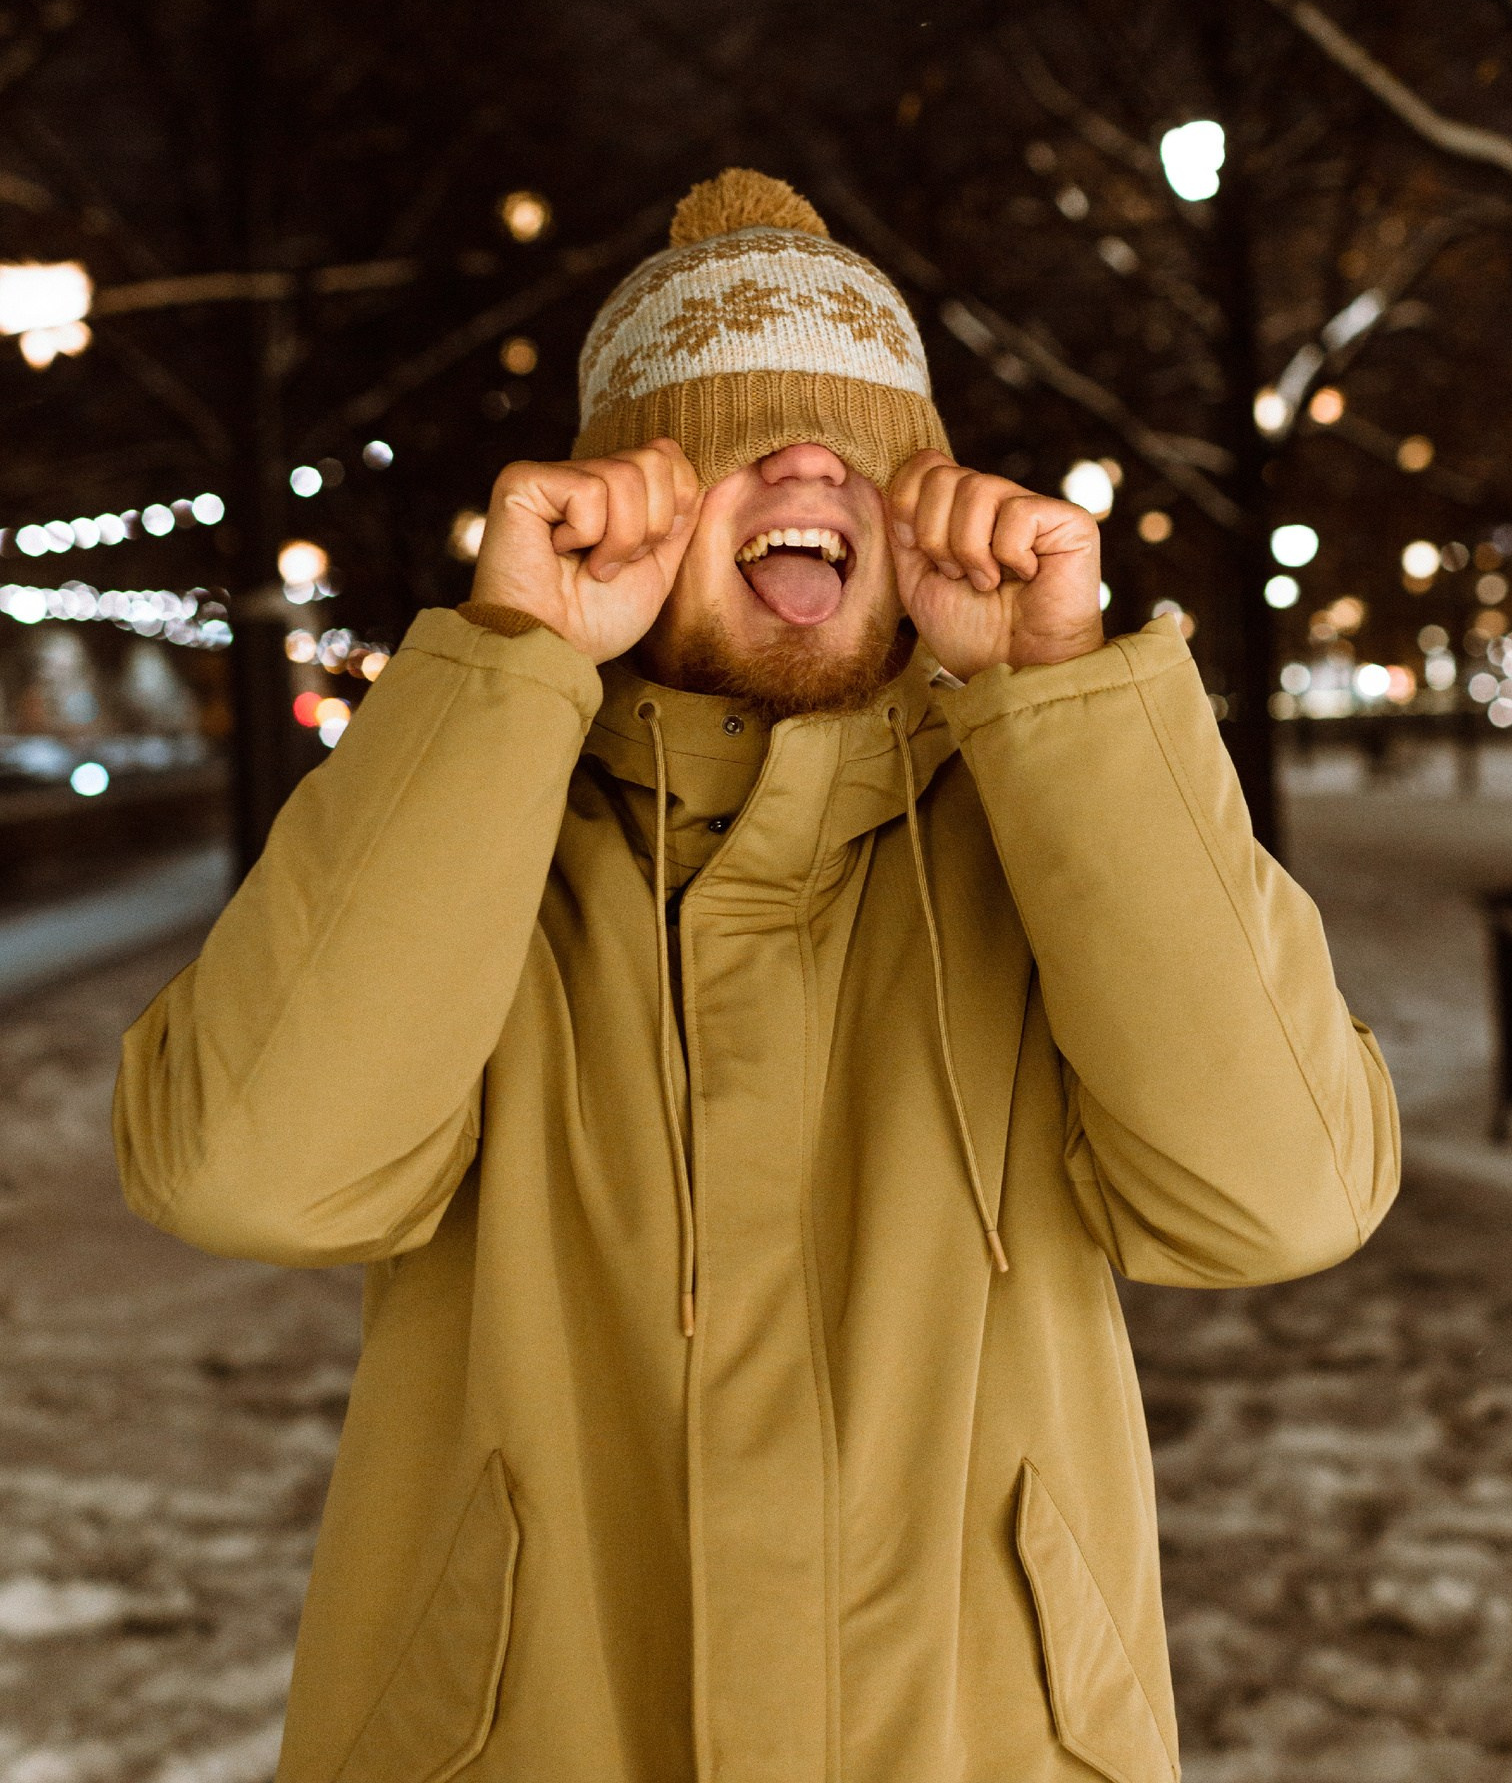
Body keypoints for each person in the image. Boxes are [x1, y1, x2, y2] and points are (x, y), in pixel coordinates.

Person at [115, 171, 1400, 1783]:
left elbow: (1284, 1194)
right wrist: (514, 656)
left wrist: (1062, 700)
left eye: (857, 445)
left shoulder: (1044, 837)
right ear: (632, 502)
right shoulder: (478, 827)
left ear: (920, 499)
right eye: (726, 444)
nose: (802, 466)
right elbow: (248, 1174)